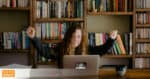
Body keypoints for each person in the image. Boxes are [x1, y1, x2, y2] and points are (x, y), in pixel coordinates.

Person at [26, 23, 118, 68]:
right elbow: (45, 52)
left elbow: (101, 50)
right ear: (68, 37)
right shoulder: (61, 48)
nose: (75, 40)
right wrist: (33, 37)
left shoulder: (86, 48)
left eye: (78, 36)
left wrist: (111, 39)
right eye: (73, 36)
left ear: (82, 38)